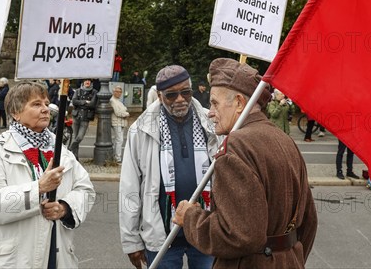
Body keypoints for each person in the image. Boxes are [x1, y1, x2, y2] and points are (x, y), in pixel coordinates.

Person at [173, 58, 318, 268]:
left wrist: (190, 218)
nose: (211, 112)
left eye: (215, 103)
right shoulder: (285, 139)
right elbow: (309, 222)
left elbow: (239, 235)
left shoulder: (237, 145)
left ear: (240, 103)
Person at [0, 81, 95, 268]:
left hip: (55, 258)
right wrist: (37, 189)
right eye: (36, 104)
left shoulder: (60, 150)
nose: (45, 109)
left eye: (46, 103)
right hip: (9, 261)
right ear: (15, 113)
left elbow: (85, 189)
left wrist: (65, 208)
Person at [119, 65, 219, 269]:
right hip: (161, 235)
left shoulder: (212, 122)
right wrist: (131, 242)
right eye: (172, 95)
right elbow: (129, 188)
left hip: (205, 229)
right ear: (159, 96)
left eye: (185, 92)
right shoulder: (141, 129)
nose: (180, 99)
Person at [69, 79, 98, 160]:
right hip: (76, 116)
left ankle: (69, 149)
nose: (87, 82)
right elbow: (74, 101)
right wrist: (85, 102)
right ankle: (75, 157)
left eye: (89, 81)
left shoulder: (94, 92)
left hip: (85, 118)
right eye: (86, 80)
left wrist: (80, 103)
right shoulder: (78, 91)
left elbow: (92, 104)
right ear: (83, 82)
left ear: (91, 83)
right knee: (75, 137)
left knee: (79, 137)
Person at [110, 86, 130, 163]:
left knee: (119, 140)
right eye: (117, 91)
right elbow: (118, 112)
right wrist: (127, 114)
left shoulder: (118, 101)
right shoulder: (112, 101)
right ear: (113, 92)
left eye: (120, 92)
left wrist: (124, 113)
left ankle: (117, 157)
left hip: (121, 122)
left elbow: (122, 110)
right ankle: (117, 158)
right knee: (119, 140)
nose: (118, 93)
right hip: (116, 122)